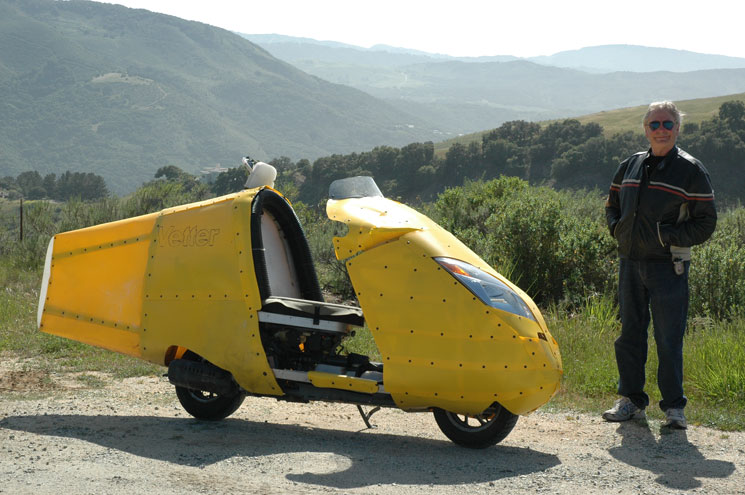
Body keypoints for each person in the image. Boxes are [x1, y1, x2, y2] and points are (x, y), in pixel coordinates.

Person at [603, 101, 717, 429]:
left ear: (678, 128)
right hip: (630, 262)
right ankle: (631, 401)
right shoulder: (630, 165)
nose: (661, 130)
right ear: (646, 129)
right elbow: (611, 205)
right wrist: (617, 229)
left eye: (668, 124)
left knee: (668, 338)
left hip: (669, 266)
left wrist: (665, 236)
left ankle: (674, 408)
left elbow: (706, 222)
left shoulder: (691, 170)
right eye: (654, 124)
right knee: (630, 335)